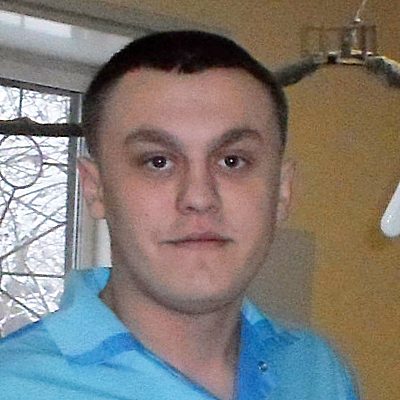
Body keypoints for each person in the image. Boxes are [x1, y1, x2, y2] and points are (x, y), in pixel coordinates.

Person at [0, 30, 359, 399]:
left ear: (281, 190)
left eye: (232, 161)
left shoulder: (317, 373)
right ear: (96, 188)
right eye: (158, 161)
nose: (199, 198)